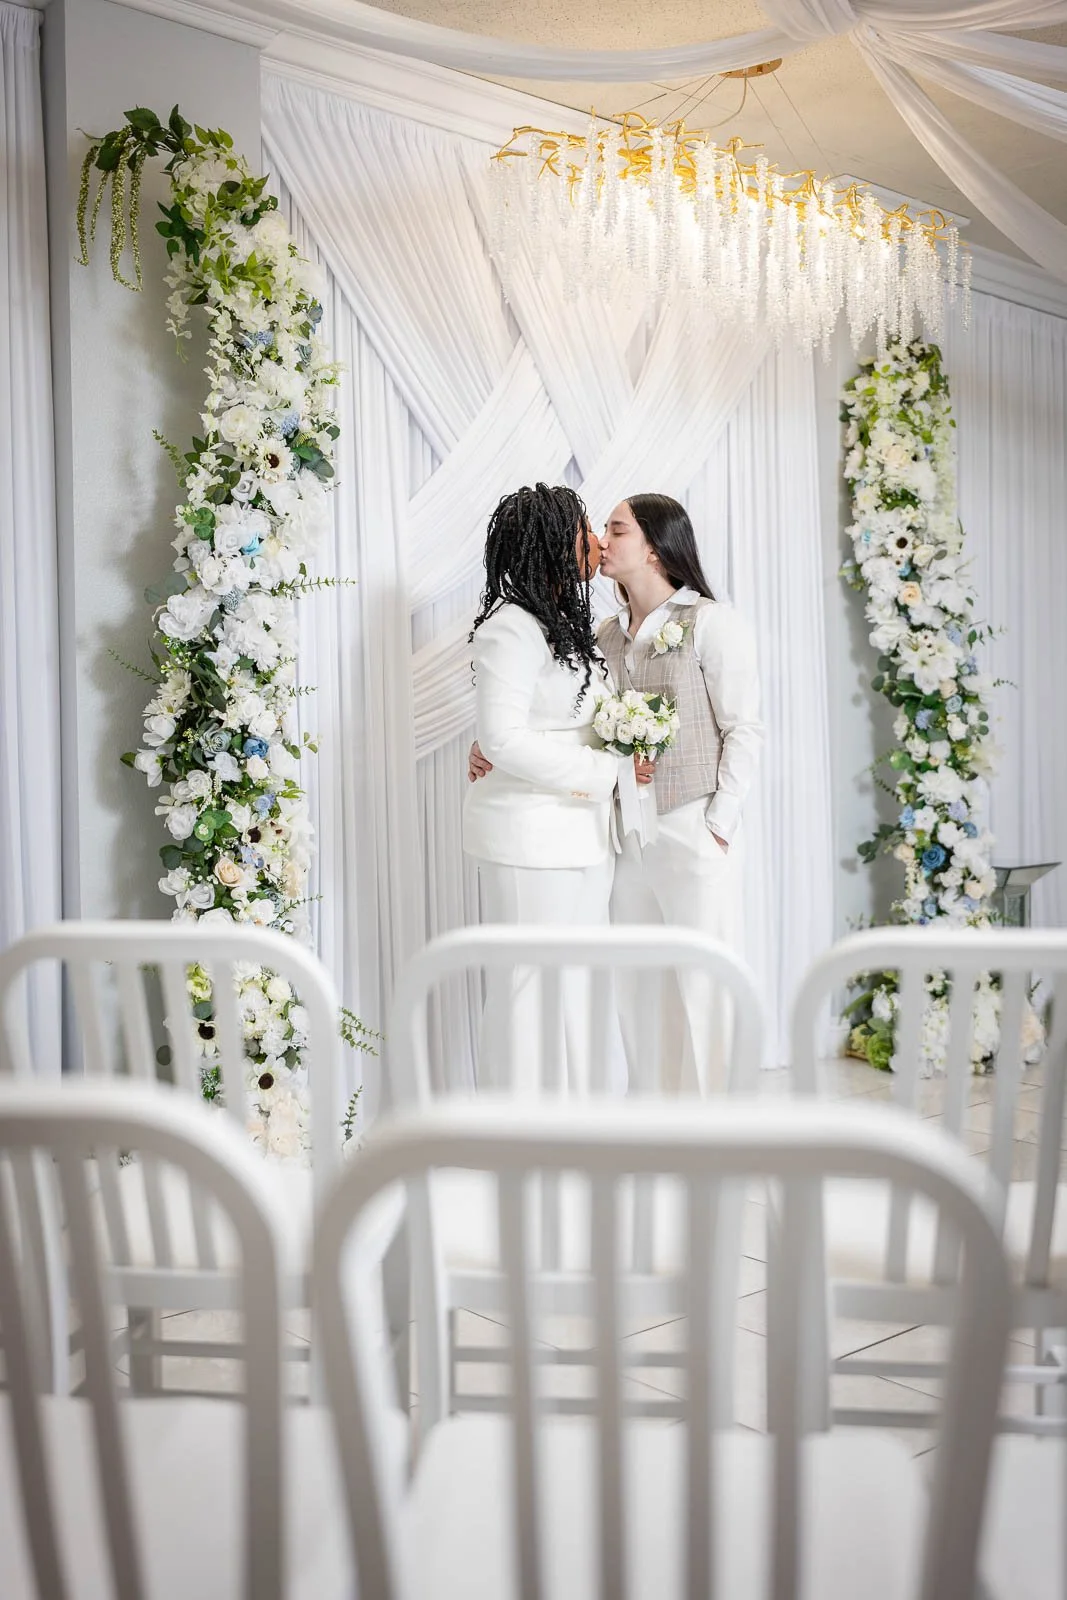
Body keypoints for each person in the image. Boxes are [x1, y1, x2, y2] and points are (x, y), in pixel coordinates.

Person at [470, 492, 763, 1092]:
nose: (602, 540)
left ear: (655, 548)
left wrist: (719, 820)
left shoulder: (711, 621)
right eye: (598, 530)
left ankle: (724, 1126)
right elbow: (570, 715)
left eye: (616, 529)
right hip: (622, 833)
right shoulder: (600, 634)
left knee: (705, 981)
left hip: (690, 823)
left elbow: (744, 728)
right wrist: (490, 743)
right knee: (637, 986)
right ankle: (652, 1117)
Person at [463, 483, 621, 1091]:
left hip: (582, 835)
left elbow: (553, 721)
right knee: (527, 989)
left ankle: (570, 1129)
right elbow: (502, 738)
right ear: (556, 541)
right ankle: (515, 1141)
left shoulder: (563, 624)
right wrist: (604, 775)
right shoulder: (511, 627)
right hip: (529, 837)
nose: (598, 541)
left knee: (575, 983)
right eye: (586, 529)